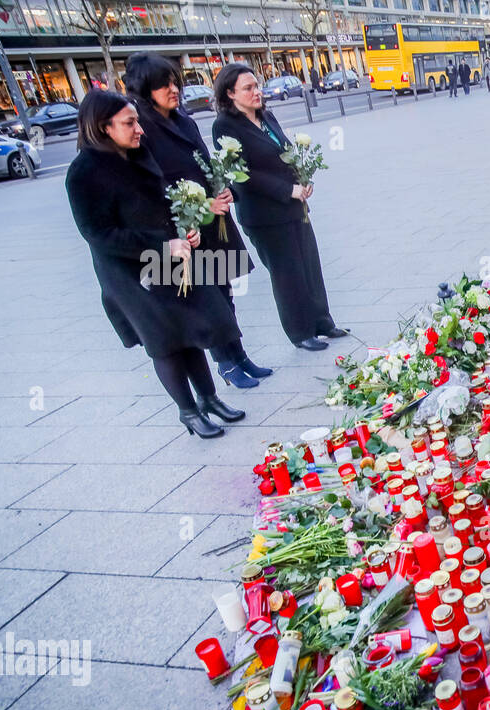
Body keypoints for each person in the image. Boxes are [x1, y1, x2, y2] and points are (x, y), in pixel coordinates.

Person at [66, 90, 245, 438]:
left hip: (169, 260)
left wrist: (186, 230)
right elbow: (97, 234)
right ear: (104, 127)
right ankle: (189, 412)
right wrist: (164, 244)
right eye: (130, 123)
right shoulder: (83, 172)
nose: (139, 130)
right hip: (131, 275)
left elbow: (164, 202)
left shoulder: (137, 154)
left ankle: (209, 399)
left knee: (191, 329)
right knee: (164, 341)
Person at [123, 52, 269, 389]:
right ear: (145, 89)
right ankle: (225, 362)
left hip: (213, 218)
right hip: (185, 226)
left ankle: (239, 354)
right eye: (164, 85)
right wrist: (200, 206)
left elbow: (205, 162)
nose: (174, 90)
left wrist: (223, 189)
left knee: (225, 290)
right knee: (207, 298)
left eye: (174, 82)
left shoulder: (182, 119)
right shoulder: (143, 128)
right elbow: (152, 182)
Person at [211, 63, 344, 351]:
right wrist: (287, 190)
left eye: (256, 85)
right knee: (287, 274)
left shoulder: (266, 117)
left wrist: (303, 180)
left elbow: (285, 154)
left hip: (294, 207)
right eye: (248, 88)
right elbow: (241, 175)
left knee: (309, 265)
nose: (256, 91)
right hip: (264, 215)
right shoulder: (224, 126)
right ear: (230, 93)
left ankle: (323, 322)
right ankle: (300, 332)